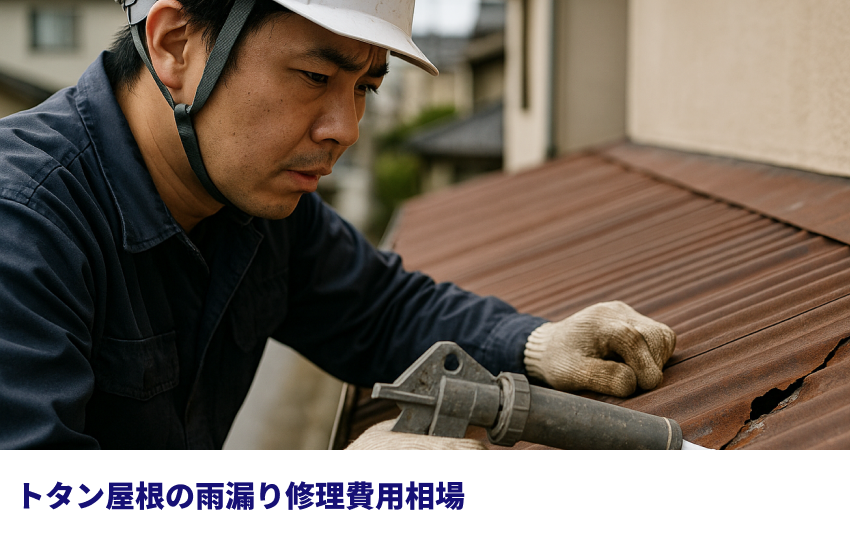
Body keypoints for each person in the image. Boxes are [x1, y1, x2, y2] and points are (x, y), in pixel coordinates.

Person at [0, 0, 675, 449]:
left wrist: (534, 345)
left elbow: (379, 310)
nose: (345, 129)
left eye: (364, 88)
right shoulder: (23, 226)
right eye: (314, 75)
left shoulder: (249, 201)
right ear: (176, 45)